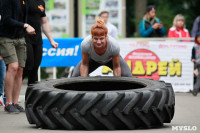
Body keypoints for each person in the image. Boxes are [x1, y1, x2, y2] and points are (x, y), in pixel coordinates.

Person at [0, 0, 35, 113]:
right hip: (6, 37)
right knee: (13, 67)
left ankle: (15, 103)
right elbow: (6, 20)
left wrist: (25, 28)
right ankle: (8, 103)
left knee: (20, 69)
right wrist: (25, 25)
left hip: (20, 37)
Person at [23, 0, 58, 85]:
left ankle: (32, 95)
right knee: (29, 66)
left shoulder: (41, 2)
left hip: (37, 39)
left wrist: (51, 40)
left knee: (35, 67)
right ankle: (11, 90)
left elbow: (44, 22)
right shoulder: (23, 1)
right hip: (24, 37)